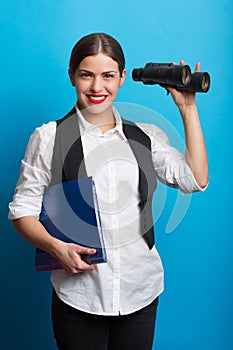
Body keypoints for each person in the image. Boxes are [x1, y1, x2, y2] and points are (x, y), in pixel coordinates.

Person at [8, 32, 208, 350]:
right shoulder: (48, 138)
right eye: (87, 75)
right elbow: (21, 211)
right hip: (79, 298)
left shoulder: (145, 135)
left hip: (141, 292)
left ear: (122, 78)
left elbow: (194, 179)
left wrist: (187, 109)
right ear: (72, 75)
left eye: (108, 76)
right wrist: (56, 247)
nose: (97, 87)